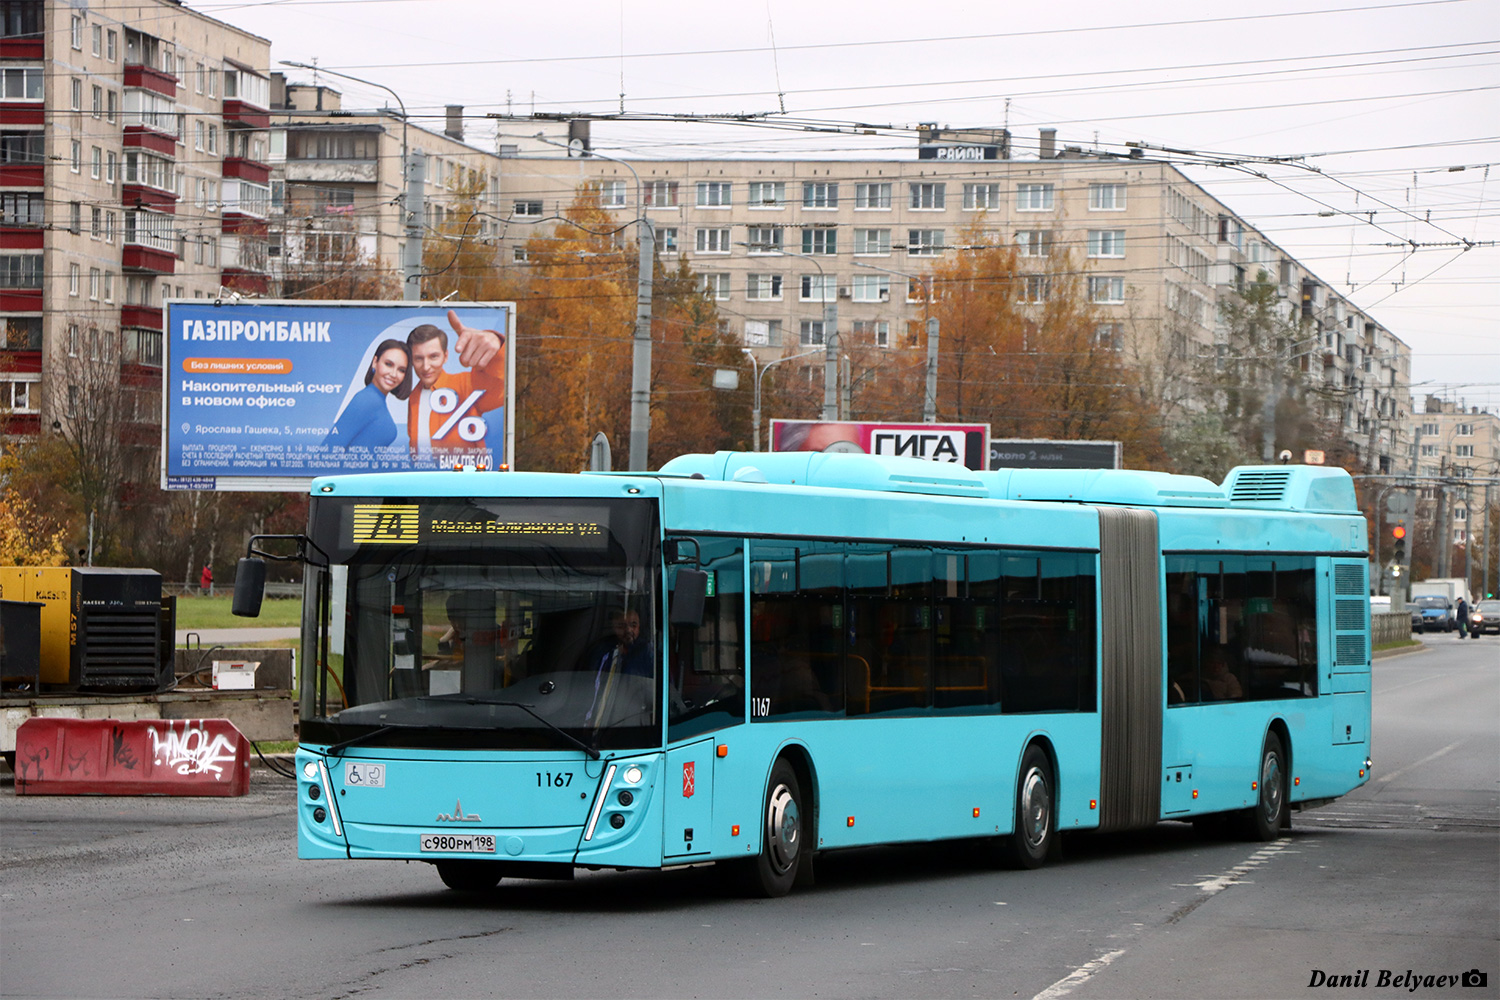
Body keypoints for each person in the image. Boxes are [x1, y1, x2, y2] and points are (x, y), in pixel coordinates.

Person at [406, 310, 505, 459]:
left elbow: (501, 388)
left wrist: (496, 343)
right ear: (411, 360)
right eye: (419, 358)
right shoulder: (414, 396)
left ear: (445, 356)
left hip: (464, 473)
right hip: (422, 473)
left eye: (433, 357)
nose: (426, 367)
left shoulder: (465, 384)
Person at [323, 340, 412, 448]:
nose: (393, 374)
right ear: (375, 362)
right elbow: (328, 449)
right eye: (388, 364)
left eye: (401, 370)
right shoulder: (366, 400)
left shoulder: (375, 401)